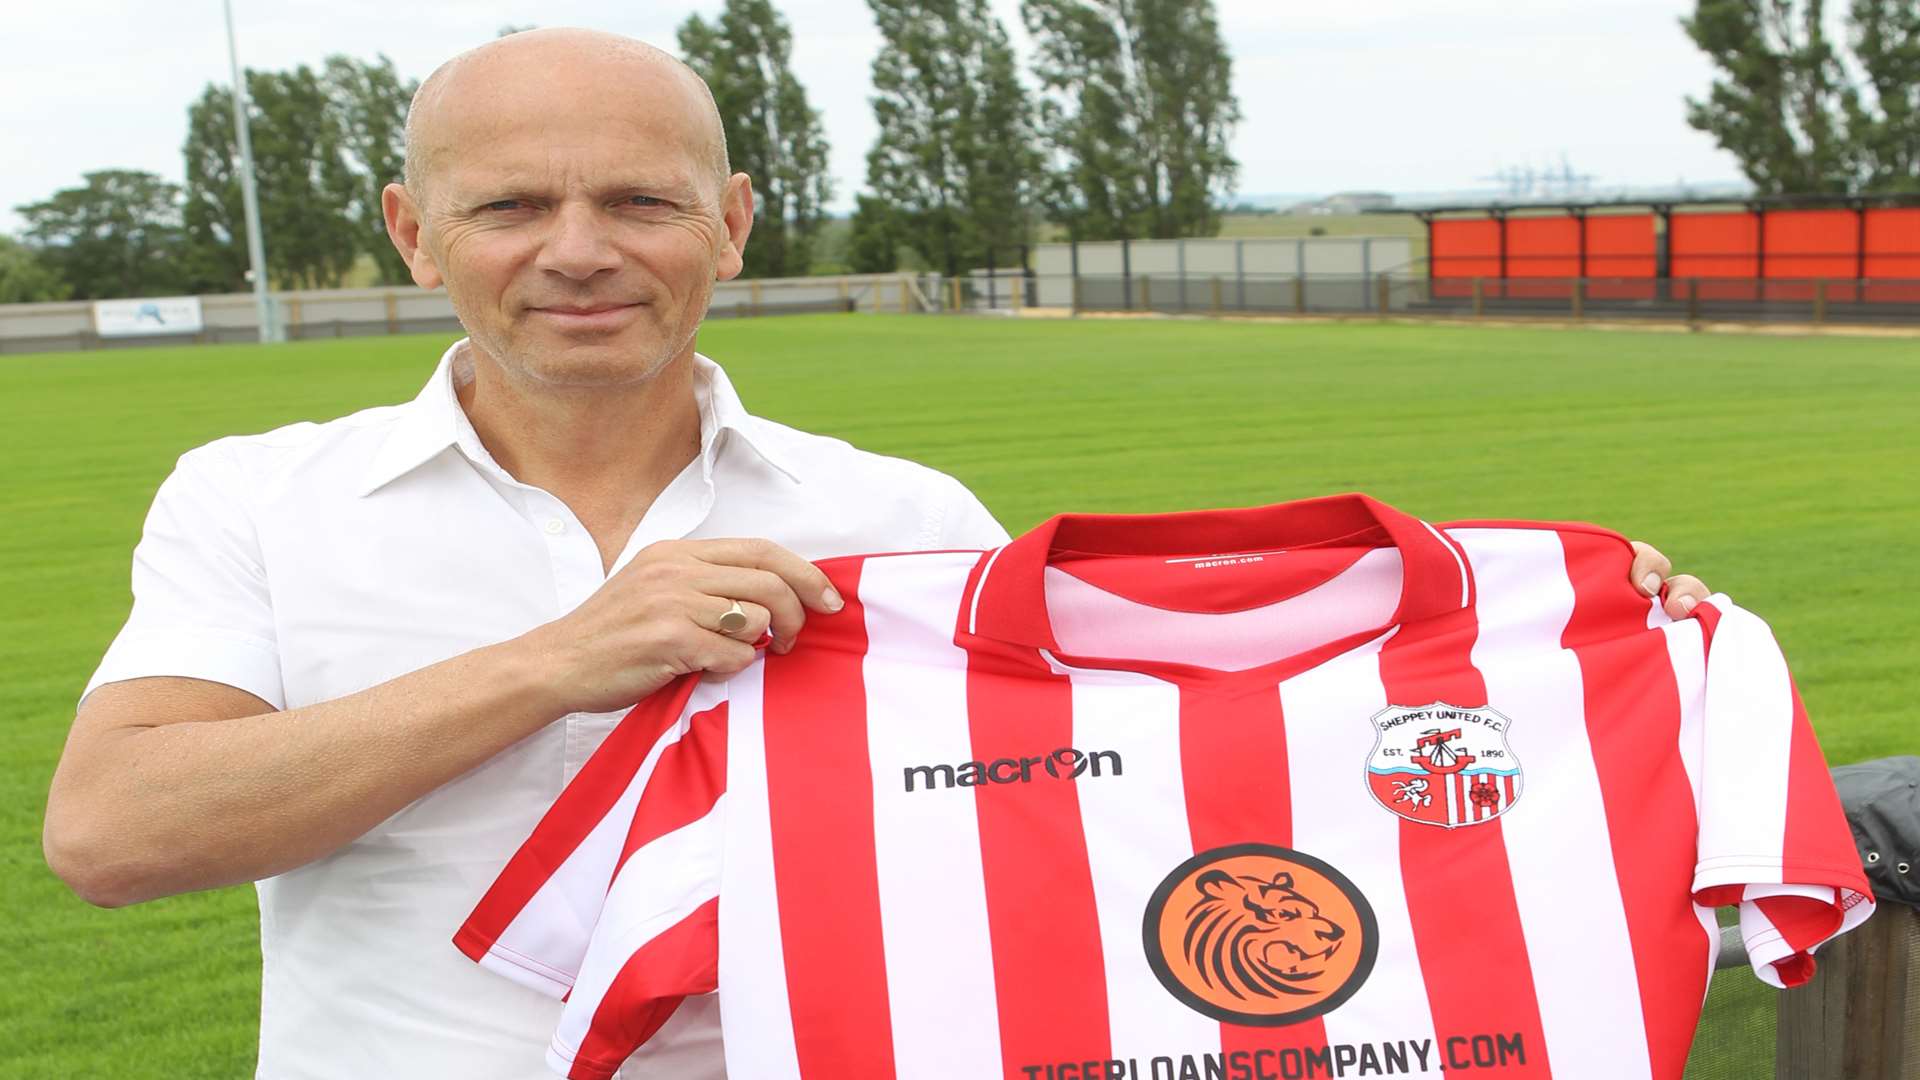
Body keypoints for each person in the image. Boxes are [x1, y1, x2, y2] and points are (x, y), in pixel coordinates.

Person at [41, 27, 1708, 1080]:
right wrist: (559, 662)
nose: (578, 251)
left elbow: (1162, 775)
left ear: (734, 221)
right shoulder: (257, 494)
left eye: (638, 199)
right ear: (412, 231)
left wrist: (1583, 641)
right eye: (506, 208)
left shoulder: (905, 523)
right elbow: (115, 833)